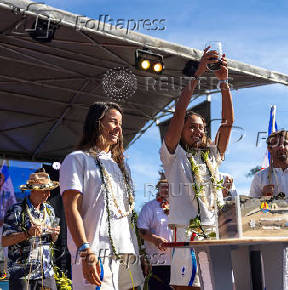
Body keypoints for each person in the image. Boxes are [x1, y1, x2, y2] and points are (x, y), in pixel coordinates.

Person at [160, 46, 233, 289]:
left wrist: (224, 83)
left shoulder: (212, 156)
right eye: (191, 126)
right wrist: (198, 74)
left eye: (201, 126)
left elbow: (228, 122)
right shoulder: (174, 154)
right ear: (180, 130)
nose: (198, 130)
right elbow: (179, 111)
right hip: (185, 233)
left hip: (213, 232)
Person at [60, 102, 144, 290]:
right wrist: (85, 250)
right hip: (94, 253)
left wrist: (138, 254)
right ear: (97, 123)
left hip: (125, 253)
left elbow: (126, 214)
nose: (118, 129)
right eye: (113, 122)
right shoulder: (77, 159)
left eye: (120, 124)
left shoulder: (121, 166)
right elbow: (71, 209)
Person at [2, 169, 60, 290]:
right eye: (45, 191)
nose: (49, 194)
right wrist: (27, 234)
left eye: (49, 191)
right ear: (33, 190)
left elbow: (52, 241)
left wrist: (54, 235)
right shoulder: (16, 210)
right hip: (22, 275)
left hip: (46, 273)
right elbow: (4, 241)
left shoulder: (49, 210)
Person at [138, 178, 172, 290]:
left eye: (168, 186)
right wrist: (155, 239)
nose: (166, 189)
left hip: (178, 261)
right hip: (158, 262)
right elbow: (142, 231)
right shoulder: (149, 207)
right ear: (158, 189)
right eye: (163, 186)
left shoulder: (177, 208)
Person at [0, 171, 16, 275]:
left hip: (3, 226)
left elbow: (14, 206)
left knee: (6, 251)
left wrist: (6, 219)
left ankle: (6, 275)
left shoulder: (7, 191)